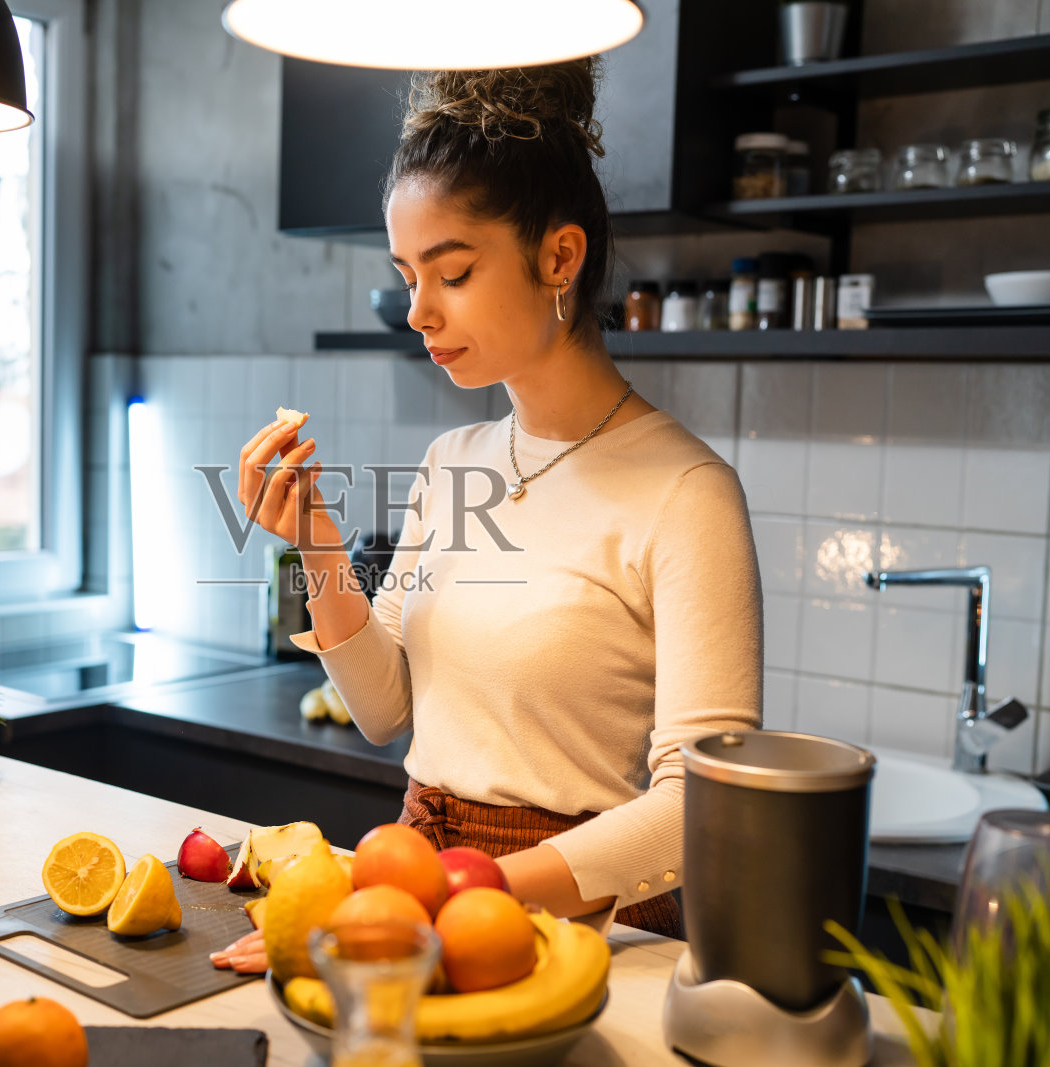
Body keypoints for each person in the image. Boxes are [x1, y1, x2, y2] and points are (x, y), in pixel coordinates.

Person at [211, 59, 760, 974]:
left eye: (453, 272)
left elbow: (698, 801)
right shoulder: (452, 461)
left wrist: (465, 892)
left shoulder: (687, 492)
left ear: (560, 257)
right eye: (406, 276)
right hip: (421, 878)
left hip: (583, 919)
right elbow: (384, 709)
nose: (420, 311)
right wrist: (317, 540)